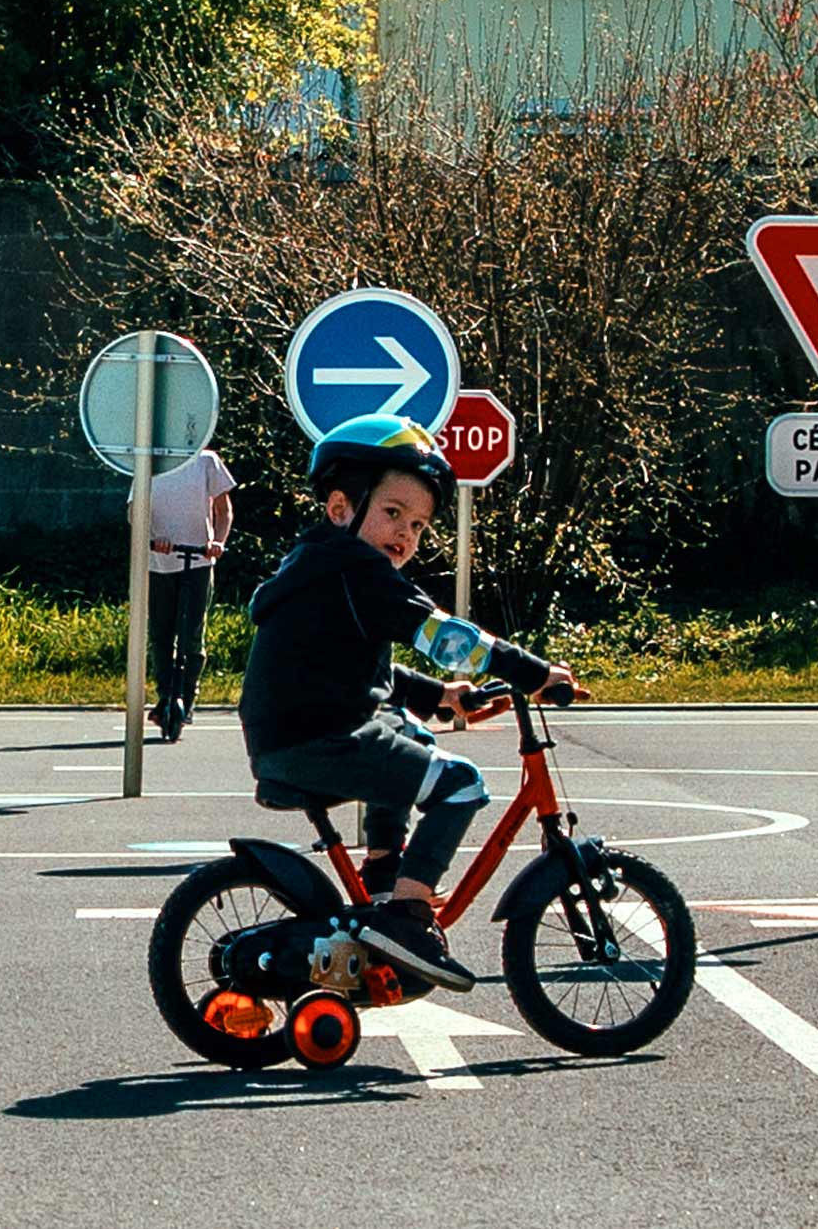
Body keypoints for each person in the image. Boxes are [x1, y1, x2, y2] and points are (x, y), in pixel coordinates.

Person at [237, 412, 574, 994]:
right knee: (461, 785)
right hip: (324, 737)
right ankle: (407, 919)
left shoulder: (322, 569)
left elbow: (364, 668)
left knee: (410, 731)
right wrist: (533, 673)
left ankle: (385, 874)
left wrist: (440, 696)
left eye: (418, 525)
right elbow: (447, 637)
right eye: (393, 513)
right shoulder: (358, 572)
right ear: (341, 507)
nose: (406, 535)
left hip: (296, 735)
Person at [133, 446, 236, 728]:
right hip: (160, 562)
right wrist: (154, 537)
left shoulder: (206, 461)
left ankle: (187, 699)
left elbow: (223, 509)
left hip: (199, 561)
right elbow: (134, 511)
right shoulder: (150, 460)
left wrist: (218, 542)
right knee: (160, 634)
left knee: (192, 636)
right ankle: (165, 696)